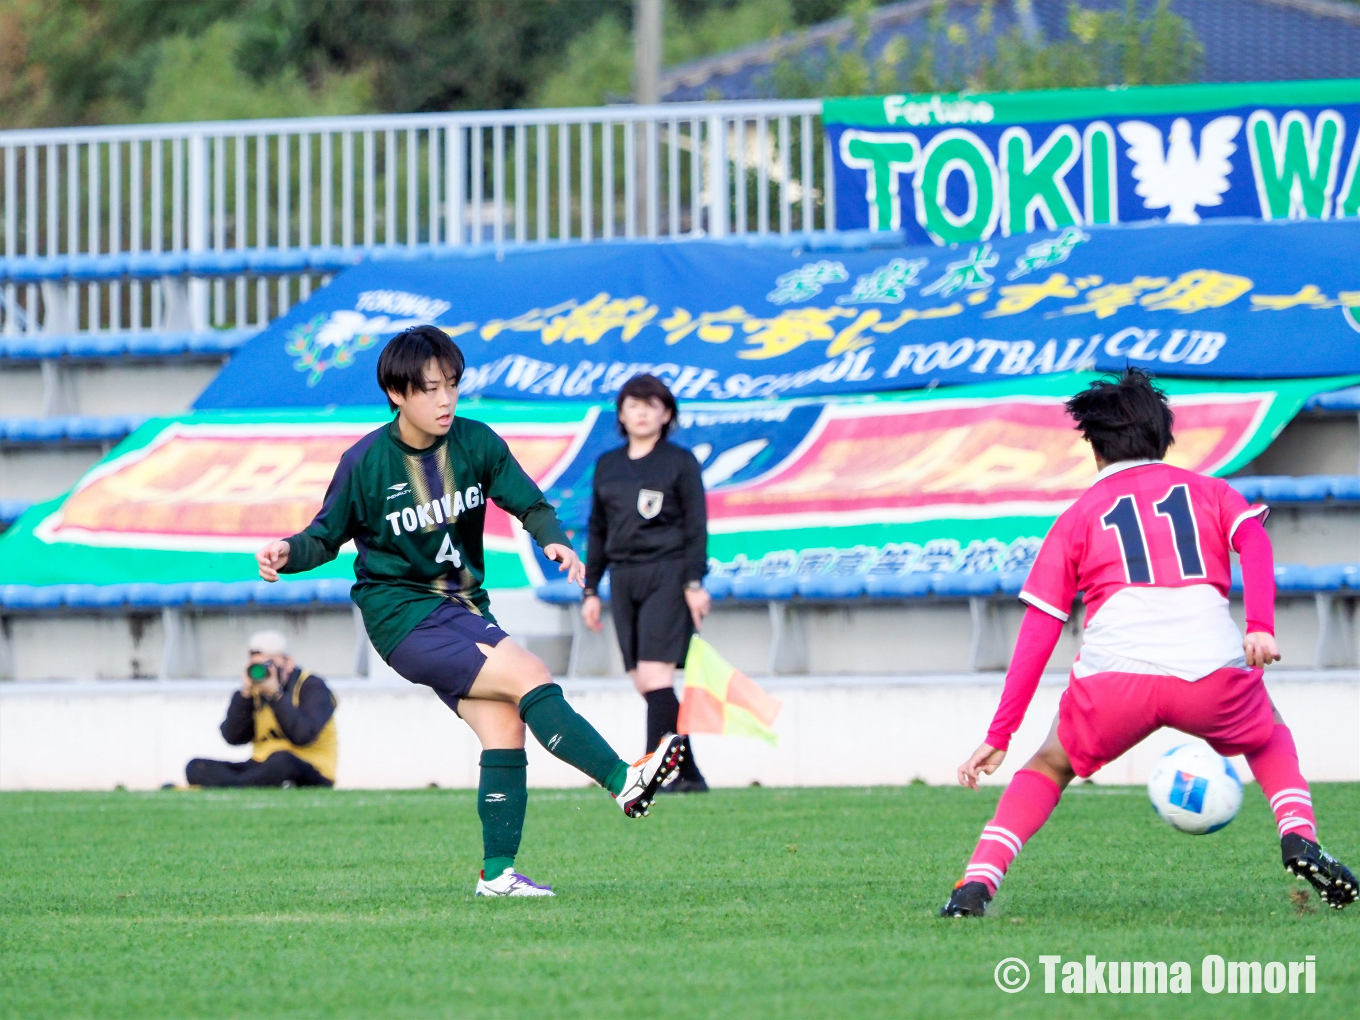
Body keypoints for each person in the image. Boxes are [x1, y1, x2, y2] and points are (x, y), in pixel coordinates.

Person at [255, 325, 684, 898]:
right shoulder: (365, 462)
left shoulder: (475, 442)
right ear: (397, 394)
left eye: (452, 385)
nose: (446, 399)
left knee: (506, 726)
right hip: (403, 614)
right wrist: (288, 552)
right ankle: (623, 781)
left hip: (463, 608)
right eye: (430, 389)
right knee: (530, 674)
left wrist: (552, 538)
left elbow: (528, 501)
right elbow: (325, 537)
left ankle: (497, 874)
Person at [940, 368, 1357, 917]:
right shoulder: (1209, 491)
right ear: (1165, 439)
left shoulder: (1076, 518)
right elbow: (1253, 540)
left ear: (1095, 449)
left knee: (1047, 766)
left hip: (1115, 679)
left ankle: (976, 885)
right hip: (1211, 671)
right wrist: (1260, 625)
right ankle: (1298, 834)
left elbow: (1039, 630)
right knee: (1267, 734)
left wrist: (1000, 734)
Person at [582, 373, 711, 793]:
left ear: (666, 413)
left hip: (668, 573)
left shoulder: (679, 462)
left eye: (651, 404)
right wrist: (591, 590)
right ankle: (689, 773)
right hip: (623, 577)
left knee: (657, 677)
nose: (642, 412)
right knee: (644, 680)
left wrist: (693, 582)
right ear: (621, 413)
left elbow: (696, 527)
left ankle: (653, 775)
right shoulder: (608, 464)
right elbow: (598, 530)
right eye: (633, 404)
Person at [185, 630, 337, 788]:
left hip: (310, 767)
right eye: (257, 665)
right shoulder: (255, 690)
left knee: (282, 761)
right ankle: (243, 784)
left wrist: (276, 695)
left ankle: (232, 785)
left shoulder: (312, 687)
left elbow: (303, 735)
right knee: (196, 767)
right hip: (260, 766)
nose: (265, 672)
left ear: (288, 663)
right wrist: (244, 695)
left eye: (269, 664)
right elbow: (233, 737)